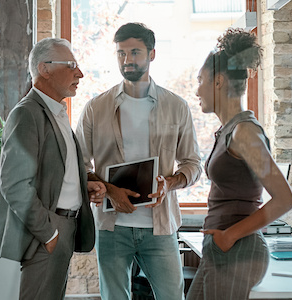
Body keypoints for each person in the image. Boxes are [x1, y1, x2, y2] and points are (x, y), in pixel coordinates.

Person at [75, 22, 202, 300]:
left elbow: (192, 165)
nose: (127, 60)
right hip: (112, 227)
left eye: (135, 52)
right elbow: (78, 166)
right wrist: (109, 190)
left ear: (151, 54)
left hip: (160, 227)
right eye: (121, 53)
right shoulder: (96, 108)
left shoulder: (176, 106)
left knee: (172, 296)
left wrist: (169, 184)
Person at [186, 28, 292, 300]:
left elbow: (284, 199)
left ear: (219, 81)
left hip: (238, 252)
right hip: (222, 249)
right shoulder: (230, 130)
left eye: (201, 80)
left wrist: (229, 236)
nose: (197, 88)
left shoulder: (245, 132)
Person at [0, 37, 106, 300]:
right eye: (71, 65)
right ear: (44, 69)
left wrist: (82, 187)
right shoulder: (27, 114)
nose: (80, 73)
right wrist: (49, 233)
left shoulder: (57, 112)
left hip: (65, 226)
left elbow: (55, 170)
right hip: (47, 231)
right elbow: (14, 185)